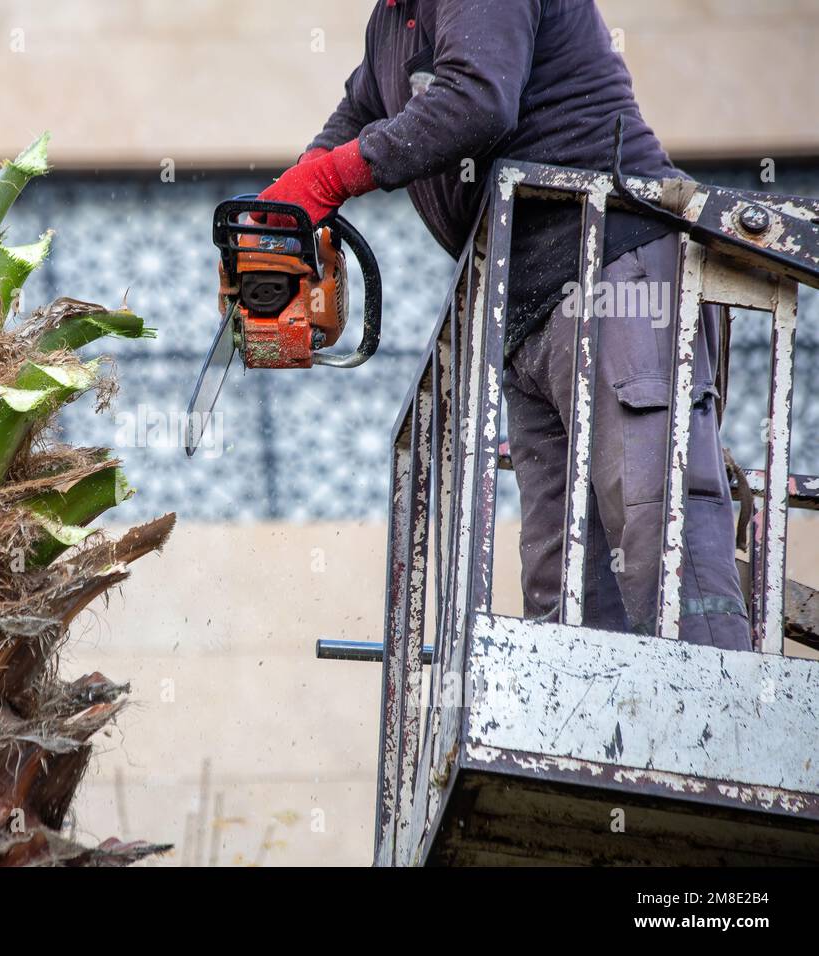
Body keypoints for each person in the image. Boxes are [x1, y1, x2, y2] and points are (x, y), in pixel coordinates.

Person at [259, 0, 749, 649]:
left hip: (618, 266)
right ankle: (596, 748)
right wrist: (281, 218)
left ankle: (716, 725)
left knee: (657, 530)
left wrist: (332, 175)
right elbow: (354, 122)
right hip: (526, 312)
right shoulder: (391, 24)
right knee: (566, 593)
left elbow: (478, 98)